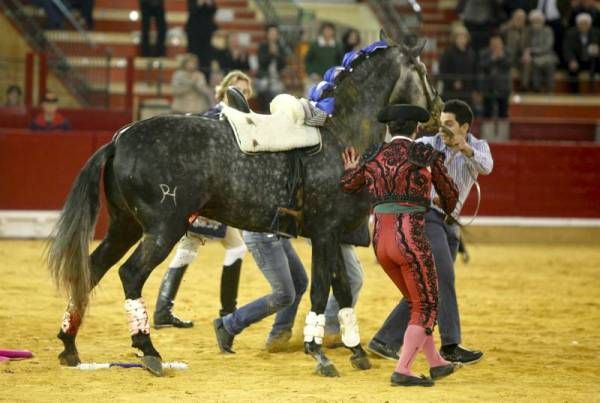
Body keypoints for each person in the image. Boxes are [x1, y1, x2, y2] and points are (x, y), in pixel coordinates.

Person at [341, 104, 461, 387]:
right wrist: (439, 203)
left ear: (388, 129)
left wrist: (350, 169)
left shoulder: (373, 155)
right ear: (416, 129)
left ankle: (435, 363)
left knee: (415, 300)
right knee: (428, 303)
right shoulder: (425, 154)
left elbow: (347, 185)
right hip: (410, 240)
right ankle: (404, 369)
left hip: (380, 242)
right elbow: (451, 195)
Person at [368, 99, 493, 366]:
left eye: (449, 125)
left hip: (451, 225)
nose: (443, 130)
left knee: (427, 286)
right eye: (441, 124)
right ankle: (450, 344)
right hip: (426, 218)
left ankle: (385, 339)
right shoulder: (428, 144)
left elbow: (487, 166)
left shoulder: (478, 147)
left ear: (464, 127)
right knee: (442, 278)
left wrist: (465, 149)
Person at [153, 71, 253, 329]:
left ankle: (164, 311)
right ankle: (227, 314)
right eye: (236, 90)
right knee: (232, 247)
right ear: (225, 91)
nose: (241, 95)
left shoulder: (234, 119)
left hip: (210, 196)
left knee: (190, 248)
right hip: (207, 197)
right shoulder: (216, 117)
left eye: (245, 91)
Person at [213, 231, 308, 353]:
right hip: (262, 236)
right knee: (284, 295)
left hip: (278, 233)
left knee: (298, 282)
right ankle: (228, 325)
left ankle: (278, 337)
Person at [439, 24, 478, 106]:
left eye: (464, 37)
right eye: (459, 37)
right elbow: (443, 71)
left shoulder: (471, 53)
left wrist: (475, 89)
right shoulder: (448, 53)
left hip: (467, 91)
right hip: (451, 92)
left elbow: (475, 71)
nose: (462, 39)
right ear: (454, 38)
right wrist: (453, 82)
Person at [563, 12, 600, 93]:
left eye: (586, 24)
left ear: (590, 24)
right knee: (572, 71)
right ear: (577, 24)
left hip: (593, 60)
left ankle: (594, 92)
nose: (583, 26)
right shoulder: (570, 33)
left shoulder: (596, 33)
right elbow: (567, 49)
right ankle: (575, 93)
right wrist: (571, 60)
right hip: (577, 60)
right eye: (581, 24)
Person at [256, 24, 288, 112]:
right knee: (264, 89)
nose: (273, 35)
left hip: (277, 78)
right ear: (267, 34)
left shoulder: (280, 48)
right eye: (271, 33)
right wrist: (270, 54)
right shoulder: (263, 46)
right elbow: (261, 62)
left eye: (275, 33)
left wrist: (277, 55)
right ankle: (265, 112)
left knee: (281, 93)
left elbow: (283, 65)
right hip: (263, 77)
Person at [523, 10, 558, 92]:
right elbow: (526, 45)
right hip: (533, 57)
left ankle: (550, 89)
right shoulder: (528, 31)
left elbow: (548, 46)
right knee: (533, 63)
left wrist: (532, 50)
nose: (536, 22)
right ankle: (536, 88)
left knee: (549, 63)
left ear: (542, 21)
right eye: (534, 20)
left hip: (547, 55)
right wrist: (528, 52)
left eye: (538, 20)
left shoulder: (548, 30)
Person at [478, 34, 512, 118]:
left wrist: (502, 57)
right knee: (487, 112)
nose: (496, 46)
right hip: (488, 87)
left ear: (502, 44)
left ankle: (503, 130)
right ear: (490, 44)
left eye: (498, 44)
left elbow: (509, 64)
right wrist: (492, 59)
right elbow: (482, 66)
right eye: (494, 44)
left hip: (503, 88)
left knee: (503, 112)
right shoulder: (484, 53)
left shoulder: (507, 53)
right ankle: (486, 130)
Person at [304, 22, 343, 94]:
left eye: (330, 30)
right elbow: (308, 60)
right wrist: (312, 72)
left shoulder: (337, 46)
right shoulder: (315, 45)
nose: (328, 32)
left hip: (331, 79)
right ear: (322, 31)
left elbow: (340, 61)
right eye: (326, 30)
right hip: (316, 78)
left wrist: (337, 73)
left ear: (333, 32)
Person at [186, 0, 217, 76]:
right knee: (193, 55)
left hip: (207, 31)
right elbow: (192, 10)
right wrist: (200, 3)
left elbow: (213, 10)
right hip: (193, 32)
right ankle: (191, 76)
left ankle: (205, 78)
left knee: (206, 57)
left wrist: (209, 3)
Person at [501, 9, 529, 90]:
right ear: (513, 18)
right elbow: (499, 37)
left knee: (527, 62)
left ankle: (524, 87)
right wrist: (508, 26)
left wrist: (526, 52)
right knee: (507, 68)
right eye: (518, 18)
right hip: (507, 56)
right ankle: (508, 91)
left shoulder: (526, 31)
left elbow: (528, 45)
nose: (520, 20)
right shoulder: (506, 29)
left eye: (522, 18)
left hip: (519, 58)